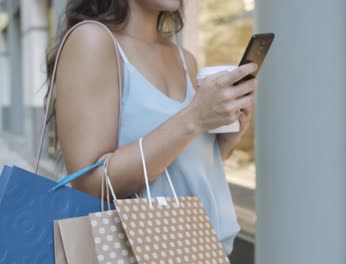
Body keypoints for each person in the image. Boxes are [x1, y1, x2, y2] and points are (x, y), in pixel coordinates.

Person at [46, 0, 258, 255]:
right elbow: (90, 184)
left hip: (204, 250)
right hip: (135, 252)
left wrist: (222, 144)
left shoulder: (184, 59)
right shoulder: (92, 40)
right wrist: (195, 117)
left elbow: (181, 171)